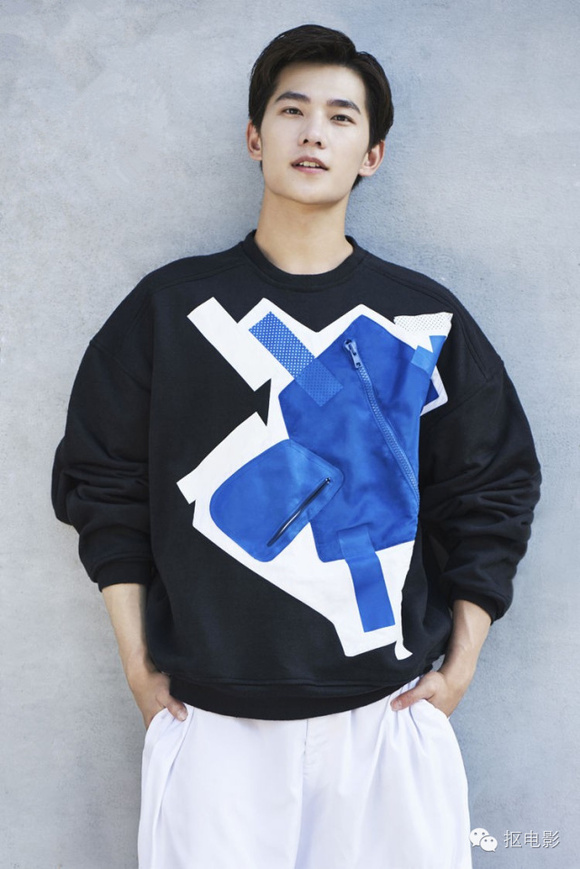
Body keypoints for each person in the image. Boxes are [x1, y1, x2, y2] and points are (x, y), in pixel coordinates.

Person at [52, 23, 541, 869]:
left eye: (341, 117)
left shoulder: (422, 318)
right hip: (210, 724)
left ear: (371, 155)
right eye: (292, 110)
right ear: (255, 137)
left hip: (386, 719)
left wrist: (461, 663)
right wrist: (136, 661)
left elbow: (492, 483)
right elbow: (102, 481)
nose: (314, 132)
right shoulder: (171, 311)